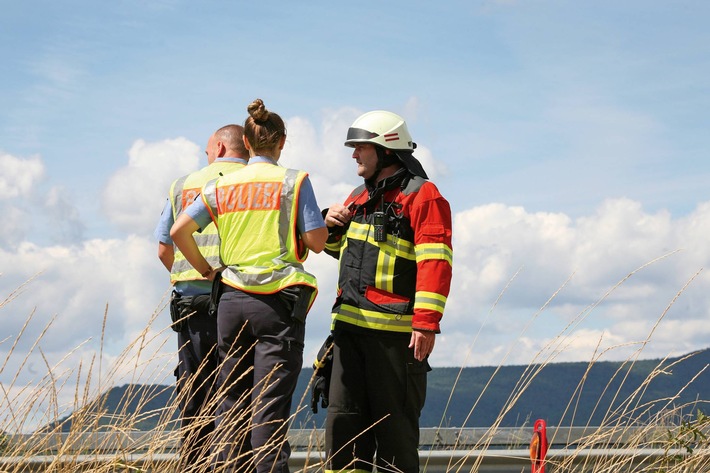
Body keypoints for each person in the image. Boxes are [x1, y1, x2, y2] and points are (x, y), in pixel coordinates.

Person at [171, 99, 328, 473]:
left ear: (246, 139)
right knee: (268, 415)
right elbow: (318, 241)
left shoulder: (221, 186)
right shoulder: (293, 181)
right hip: (277, 305)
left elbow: (179, 232)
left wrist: (208, 272)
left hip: (230, 302)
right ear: (282, 142)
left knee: (231, 408)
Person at [322, 110, 453, 473]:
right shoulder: (356, 197)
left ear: (386, 150)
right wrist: (330, 226)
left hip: (396, 342)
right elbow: (344, 256)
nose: (353, 156)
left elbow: (435, 262)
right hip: (349, 335)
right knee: (344, 435)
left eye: (360, 148)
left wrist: (425, 323)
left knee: (395, 438)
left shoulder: (423, 196)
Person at [154, 124, 249, 471]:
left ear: (221, 148)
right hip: (243, 304)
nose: (206, 157)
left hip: (193, 310)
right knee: (242, 401)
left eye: (207, 150)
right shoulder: (256, 183)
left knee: (196, 403)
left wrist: (192, 274)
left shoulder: (184, 185)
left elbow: (165, 248)